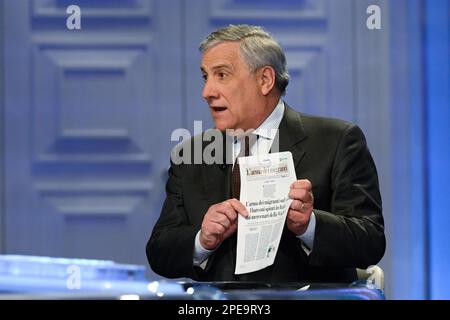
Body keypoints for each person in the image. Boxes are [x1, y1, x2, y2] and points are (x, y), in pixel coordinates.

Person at [146, 24, 385, 283]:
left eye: (222, 75)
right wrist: (202, 241)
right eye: (206, 77)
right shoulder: (192, 154)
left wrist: (310, 225)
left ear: (265, 80)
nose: (207, 92)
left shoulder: (337, 141)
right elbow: (160, 251)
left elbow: (370, 241)